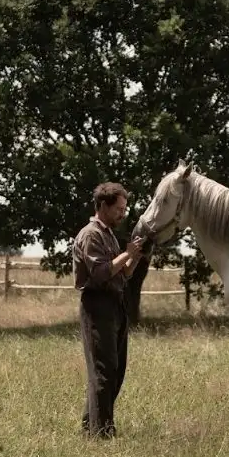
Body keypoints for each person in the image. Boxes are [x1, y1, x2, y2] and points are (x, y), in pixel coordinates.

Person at [72, 181, 145, 438]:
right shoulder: (91, 234)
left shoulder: (109, 234)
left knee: (115, 370)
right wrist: (126, 253)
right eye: (119, 208)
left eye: (125, 208)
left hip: (115, 304)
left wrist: (134, 256)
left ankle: (90, 427)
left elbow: (122, 275)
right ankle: (102, 432)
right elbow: (101, 273)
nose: (123, 213)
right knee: (104, 372)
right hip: (97, 304)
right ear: (103, 205)